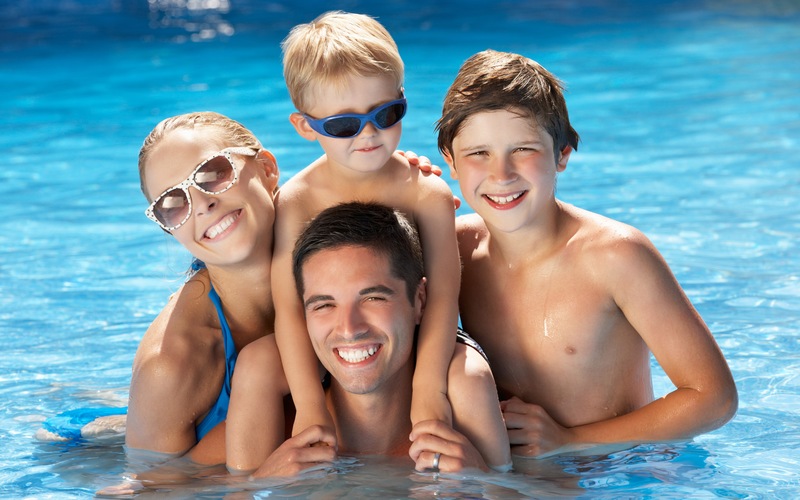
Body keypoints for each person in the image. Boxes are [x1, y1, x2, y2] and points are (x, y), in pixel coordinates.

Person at [435, 49, 738, 458]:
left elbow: (714, 398)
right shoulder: (453, 249)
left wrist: (571, 440)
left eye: (523, 149)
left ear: (562, 155)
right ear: (450, 162)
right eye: (478, 153)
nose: (501, 175)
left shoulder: (615, 256)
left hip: (617, 470)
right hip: (513, 472)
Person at [269, 11, 462, 454]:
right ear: (305, 126)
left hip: (417, 336)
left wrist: (429, 391)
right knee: (259, 368)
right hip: (337, 339)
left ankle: (487, 481)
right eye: (343, 125)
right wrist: (309, 405)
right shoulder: (297, 200)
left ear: (401, 98)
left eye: (387, 113)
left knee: (468, 377)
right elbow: (288, 308)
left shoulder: (425, 192)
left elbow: (444, 299)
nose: (369, 133)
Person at [251, 202, 511, 477]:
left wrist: (483, 483)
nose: (350, 329)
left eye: (373, 298)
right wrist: (261, 486)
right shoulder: (276, 432)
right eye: (324, 305)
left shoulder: (469, 426)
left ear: (419, 300)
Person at [127, 111, 289, 470]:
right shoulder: (170, 367)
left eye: (213, 173)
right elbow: (153, 489)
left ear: (266, 168)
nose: (202, 204)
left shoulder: (337, 245)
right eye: (173, 204)